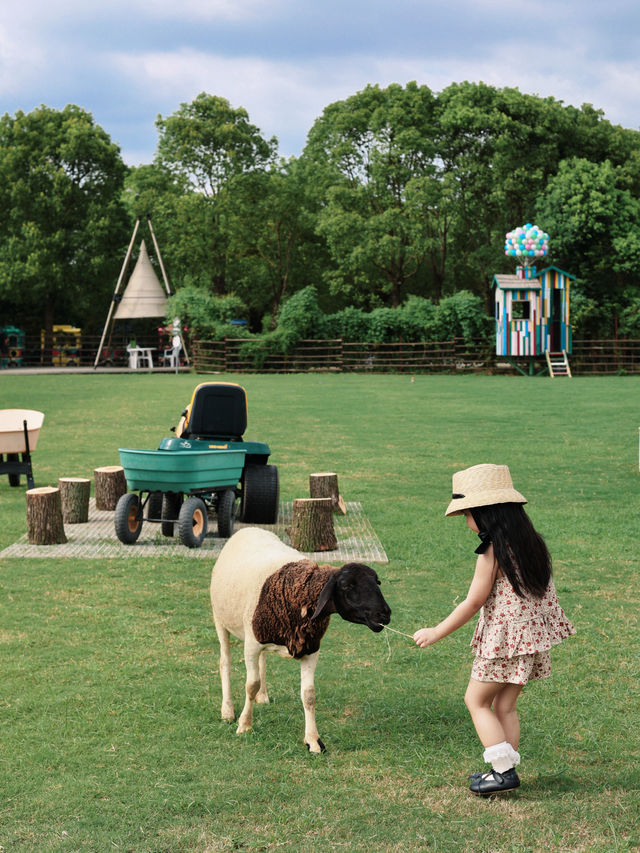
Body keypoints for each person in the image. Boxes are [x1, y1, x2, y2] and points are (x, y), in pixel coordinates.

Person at [413, 464, 575, 796]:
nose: (467, 522)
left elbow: (473, 603)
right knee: (505, 707)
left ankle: (502, 773)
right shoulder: (531, 543)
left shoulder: (492, 553)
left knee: (475, 701)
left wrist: (435, 632)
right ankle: (503, 770)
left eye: (467, 515)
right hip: (529, 642)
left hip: (505, 643)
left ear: (485, 513)